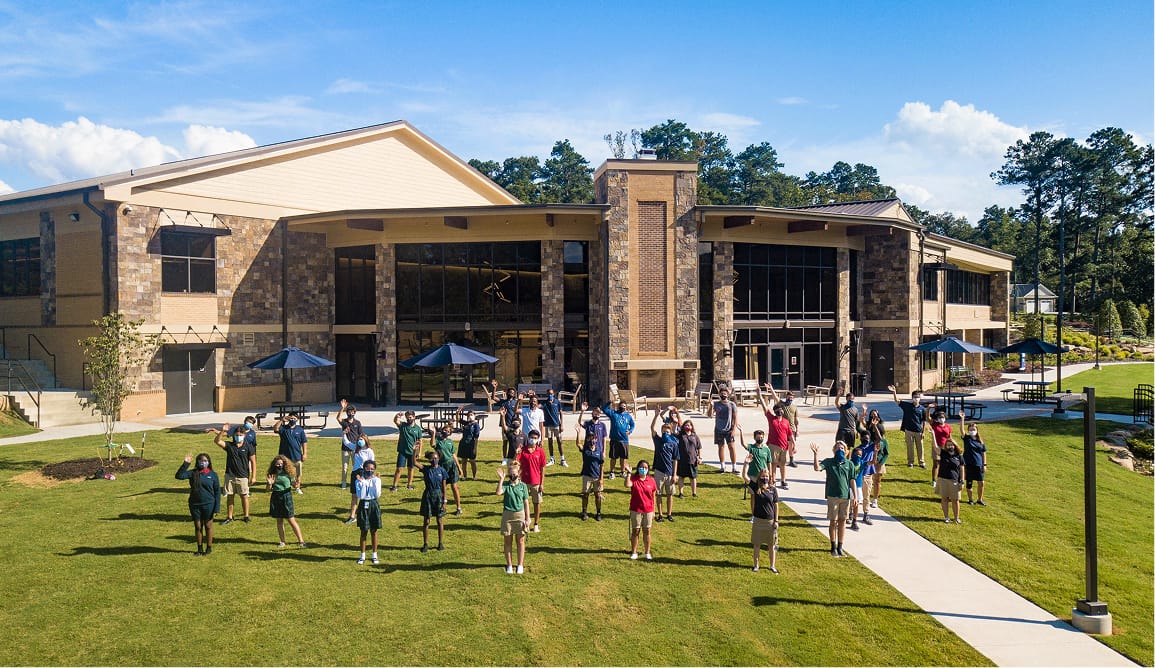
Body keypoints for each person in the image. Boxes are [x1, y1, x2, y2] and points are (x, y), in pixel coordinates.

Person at [811, 440, 853, 557]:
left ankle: (840, 546)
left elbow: (852, 480)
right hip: (833, 496)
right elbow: (817, 468)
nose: (840, 450)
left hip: (845, 497)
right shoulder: (829, 462)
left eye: (842, 448)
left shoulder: (849, 464)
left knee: (842, 522)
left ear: (846, 451)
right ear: (834, 450)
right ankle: (833, 546)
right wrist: (816, 455)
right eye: (838, 448)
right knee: (833, 522)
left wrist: (855, 496)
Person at [175, 452, 220, 555]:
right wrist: (186, 464)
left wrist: (217, 508)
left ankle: (209, 548)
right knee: (198, 526)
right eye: (201, 461)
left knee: (208, 526)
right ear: (197, 462)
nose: (202, 463)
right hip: (195, 504)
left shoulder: (213, 475)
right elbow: (179, 476)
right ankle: (199, 549)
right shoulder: (193, 473)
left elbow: (217, 492)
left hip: (209, 504)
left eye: (205, 461)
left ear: (208, 462)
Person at [213, 423, 255, 524]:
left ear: (244, 435)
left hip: (243, 476)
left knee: (244, 496)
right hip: (230, 475)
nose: (238, 437)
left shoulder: (248, 447)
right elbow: (217, 441)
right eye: (237, 435)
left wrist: (253, 476)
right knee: (230, 496)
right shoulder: (229, 446)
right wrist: (222, 431)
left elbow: (253, 461)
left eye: (240, 435)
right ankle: (230, 517)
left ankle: (246, 516)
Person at [758, 387, 795, 489]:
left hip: (784, 446)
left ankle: (783, 480)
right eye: (778, 410)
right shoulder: (771, 418)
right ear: (775, 411)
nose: (780, 411)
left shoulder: (786, 421)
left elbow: (790, 434)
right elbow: (765, 407)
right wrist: (760, 395)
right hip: (773, 445)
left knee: (783, 464)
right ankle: (772, 481)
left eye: (781, 409)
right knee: (773, 464)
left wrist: (794, 444)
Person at [496, 460, 529, 574]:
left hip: (520, 515)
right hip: (507, 515)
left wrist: (527, 518)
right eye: (510, 473)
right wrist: (501, 479)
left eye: (514, 473)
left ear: (519, 473)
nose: (512, 475)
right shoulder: (506, 485)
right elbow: (498, 492)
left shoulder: (523, 486)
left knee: (520, 541)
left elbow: (526, 503)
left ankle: (520, 565)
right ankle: (509, 565)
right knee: (508, 541)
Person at [267, 455, 305, 548]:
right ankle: (282, 541)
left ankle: (301, 541)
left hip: (286, 496)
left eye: (281, 463)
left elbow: (293, 484)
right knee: (279, 520)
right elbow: (268, 490)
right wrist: (269, 484)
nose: (280, 465)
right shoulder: (272, 474)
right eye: (278, 464)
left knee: (291, 519)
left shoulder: (288, 472)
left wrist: (296, 485)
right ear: (274, 464)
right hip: (276, 496)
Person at [888, 385, 930, 468]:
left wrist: (923, 432)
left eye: (917, 397)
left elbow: (923, 421)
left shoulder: (922, 409)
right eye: (915, 397)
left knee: (920, 447)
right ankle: (910, 462)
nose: (916, 399)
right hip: (908, 430)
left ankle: (921, 462)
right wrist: (894, 392)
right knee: (910, 447)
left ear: (920, 398)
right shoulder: (907, 406)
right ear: (912, 398)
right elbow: (897, 401)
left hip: (918, 431)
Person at [649, 411, 680, 522]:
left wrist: (675, 474)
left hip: (670, 472)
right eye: (664, 430)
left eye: (667, 431)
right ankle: (660, 514)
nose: (665, 432)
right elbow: (652, 428)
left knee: (670, 494)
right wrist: (656, 416)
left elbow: (675, 460)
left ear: (670, 432)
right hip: (659, 471)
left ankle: (669, 514)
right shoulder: (658, 440)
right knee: (658, 494)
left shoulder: (674, 443)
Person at [515, 429, 547, 532]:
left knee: (536, 503)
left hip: (536, 482)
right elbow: (515, 463)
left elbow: (542, 468)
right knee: (524, 503)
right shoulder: (523, 450)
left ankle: (536, 524)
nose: (533, 440)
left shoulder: (540, 451)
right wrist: (516, 453)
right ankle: (525, 523)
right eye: (531, 437)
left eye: (535, 438)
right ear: (528, 438)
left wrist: (542, 483)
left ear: (538, 439)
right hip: (524, 481)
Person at [625, 459, 658, 560]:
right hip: (636, 509)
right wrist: (628, 474)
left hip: (648, 510)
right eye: (641, 467)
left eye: (645, 468)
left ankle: (647, 552)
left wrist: (653, 511)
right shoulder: (634, 479)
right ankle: (634, 552)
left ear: (648, 470)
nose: (643, 469)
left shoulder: (651, 480)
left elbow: (653, 496)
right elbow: (627, 485)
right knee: (636, 530)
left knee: (647, 530)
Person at [749, 468, 779, 573]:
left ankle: (772, 566)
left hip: (770, 522)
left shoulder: (773, 489)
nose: (765, 478)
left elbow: (776, 505)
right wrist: (746, 464)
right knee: (757, 544)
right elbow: (744, 476)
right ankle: (756, 565)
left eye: (766, 476)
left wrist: (776, 521)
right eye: (763, 476)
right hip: (758, 521)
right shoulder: (755, 487)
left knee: (772, 545)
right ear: (759, 477)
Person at [576, 412, 606, 521]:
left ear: (596, 440)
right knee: (585, 495)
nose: (592, 440)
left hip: (597, 477)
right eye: (590, 438)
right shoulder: (586, 450)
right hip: (587, 476)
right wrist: (578, 433)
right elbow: (578, 444)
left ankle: (598, 513)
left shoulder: (599, 451)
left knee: (598, 495)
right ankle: (584, 512)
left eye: (594, 438)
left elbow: (602, 465)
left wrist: (601, 479)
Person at [760, 383, 799, 466]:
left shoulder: (795, 407)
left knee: (791, 445)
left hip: (792, 428)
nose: (790, 398)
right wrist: (771, 388)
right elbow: (775, 397)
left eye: (791, 397)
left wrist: (797, 429)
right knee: (782, 444)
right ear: (786, 397)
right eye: (789, 397)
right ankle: (778, 460)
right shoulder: (782, 404)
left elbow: (796, 420)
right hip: (782, 427)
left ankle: (791, 460)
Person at [418, 450, 448, 552]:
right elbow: (414, 463)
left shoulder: (442, 471)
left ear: (439, 458)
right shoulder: (426, 469)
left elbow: (444, 487)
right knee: (426, 521)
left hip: (439, 495)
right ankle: (425, 544)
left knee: (439, 520)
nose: (434, 460)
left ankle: (440, 543)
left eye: (436, 458)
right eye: (432, 458)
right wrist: (414, 451)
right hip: (428, 495)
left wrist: (445, 501)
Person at [353, 459, 381, 564]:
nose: (370, 471)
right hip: (363, 504)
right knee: (363, 531)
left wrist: (376, 481)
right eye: (368, 468)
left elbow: (377, 494)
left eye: (372, 469)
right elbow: (361, 495)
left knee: (374, 531)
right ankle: (362, 555)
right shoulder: (359, 480)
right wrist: (362, 482)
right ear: (364, 469)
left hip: (373, 504)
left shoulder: (376, 480)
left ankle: (374, 555)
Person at [344, 435, 375, 524]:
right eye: (358, 440)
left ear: (365, 440)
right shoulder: (356, 448)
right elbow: (346, 443)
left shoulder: (369, 451)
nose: (359, 441)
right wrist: (344, 434)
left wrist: (369, 476)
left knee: (364, 496)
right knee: (354, 496)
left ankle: (366, 515)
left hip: (363, 473)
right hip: (355, 473)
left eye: (361, 439)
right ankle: (352, 516)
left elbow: (372, 464)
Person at [601, 399, 636, 479]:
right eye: (621, 406)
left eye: (624, 406)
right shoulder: (613, 413)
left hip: (624, 440)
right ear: (618, 406)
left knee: (623, 458)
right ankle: (612, 472)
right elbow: (604, 409)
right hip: (614, 439)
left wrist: (630, 431)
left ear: (626, 408)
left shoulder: (628, 416)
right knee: (613, 457)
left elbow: (633, 425)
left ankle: (622, 472)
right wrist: (609, 402)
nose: (622, 408)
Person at [391, 410, 425, 492]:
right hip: (402, 451)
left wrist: (419, 452)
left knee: (411, 468)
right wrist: (397, 415)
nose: (408, 419)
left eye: (410, 417)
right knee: (399, 469)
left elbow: (420, 441)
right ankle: (394, 486)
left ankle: (409, 484)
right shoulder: (403, 426)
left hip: (412, 452)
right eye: (407, 417)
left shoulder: (418, 429)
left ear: (414, 417)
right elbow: (396, 421)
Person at [959, 411, 988, 506]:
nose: (972, 431)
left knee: (981, 483)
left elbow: (983, 453)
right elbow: (961, 430)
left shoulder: (980, 441)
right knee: (969, 483)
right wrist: (962, 419)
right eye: (970, 429)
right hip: (968, 464)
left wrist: (984, 464)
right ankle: (970, 499)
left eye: (974, 429)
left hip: (978, 465)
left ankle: (980, 499)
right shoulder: (967, 439)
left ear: (977, 430)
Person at [274, 413, 308, 493]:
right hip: (285, 456)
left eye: (294, 418)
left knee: (298, 473)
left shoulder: (300, 430)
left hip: (297, 455)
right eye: (291, 418)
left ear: (297, 419)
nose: (292, 420)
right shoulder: (283, 428)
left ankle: (298, 487)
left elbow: (304, 442)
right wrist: (282, 420)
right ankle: (285, 486)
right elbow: (275, 429)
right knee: (285, 472)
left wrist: (305, 453)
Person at [708, 387, 739, 474]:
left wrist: (734, 429)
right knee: (721, 447)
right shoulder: (716, 404)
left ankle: (734, 467)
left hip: (729, 429)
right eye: (721, 394)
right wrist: (711, 405)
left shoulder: (732, 404)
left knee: (732, 447)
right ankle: (722, 466)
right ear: (719, 395)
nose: (723, 395)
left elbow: (735, 417)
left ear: (728, 395)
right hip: (718, 429)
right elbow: (709, 415)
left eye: (725, 393)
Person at [861, 409, 887, 508]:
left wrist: (875, 426)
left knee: (877, 481)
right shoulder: (868, 428)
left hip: (878, 459)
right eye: (871, 416)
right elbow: (861, 421)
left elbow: (880, 439)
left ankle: (875, 500)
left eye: (875, 416)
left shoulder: (880, 427)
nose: (873, 418)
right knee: (867, 479)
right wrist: (864, 412)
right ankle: (865, 498)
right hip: (870, 457)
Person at [434, 427, 464, 515]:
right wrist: (433, 434)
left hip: (451, 465)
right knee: (442, 488)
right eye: (444, 430)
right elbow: (432, 444)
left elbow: (453, 455)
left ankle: (458, 507)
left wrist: (459, 467)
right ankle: (443, 507)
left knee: (454, 487)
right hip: (442, 466)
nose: (446, 432)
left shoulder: (450, 442)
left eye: (448, 431)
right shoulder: (438, 440)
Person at [936, 439, 966, 524]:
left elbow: (962, 469)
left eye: (952, 445)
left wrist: (962, 481)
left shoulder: (959, 456)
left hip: (955, 481)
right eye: (948, 445)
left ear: (955, 446)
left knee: (955, 500)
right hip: (943, 479)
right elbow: (935, 447)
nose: (950, 447)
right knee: (944, 499)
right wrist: (933, 435)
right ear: (946, 446)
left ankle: (956, 518)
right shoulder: (943, 454)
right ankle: (946, 517)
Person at [336, 399, 364, 488]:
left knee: (356, 466)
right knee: (345, 467)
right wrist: (342, 408)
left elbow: (361, 435)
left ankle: (357, 481)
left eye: (352, 412)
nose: (351, 413)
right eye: (349, 412)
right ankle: (343, 482)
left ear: (355, 413)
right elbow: (338, 418)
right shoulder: (344, 422)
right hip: (345, 448)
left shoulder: (358, 423)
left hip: (355, 448)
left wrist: (360, 445)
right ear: (347, 412)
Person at [676, 419, 702, 498]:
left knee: (693, 477)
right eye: (686, 425)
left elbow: (699, 447)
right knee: (681, 477)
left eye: (689, 425)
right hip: (682, 460)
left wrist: (699, 457)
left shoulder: (695, 436)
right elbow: (674, 431)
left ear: (692, 426)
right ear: (683, 426)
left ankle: (694, 493)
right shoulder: (680, 435)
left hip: (692, 460)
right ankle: (681, 493)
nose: (688, 426)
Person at [541, 388, 566, 466]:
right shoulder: (544, 403)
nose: (550, 395)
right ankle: (552, 459)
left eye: (551, 394)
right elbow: (538, 406)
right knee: (550, 441)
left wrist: (561, 424)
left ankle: (562, 459)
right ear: (546, 395)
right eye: (548, 394)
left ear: (553, 394)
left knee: (559, 441)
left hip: (556, 424)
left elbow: (561, 413)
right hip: (548, 425)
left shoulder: (557, 402)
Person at [929, 410, 952, 487]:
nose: (941, 419)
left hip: (945, 447)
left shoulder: (948, 426)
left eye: (942, 417)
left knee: (944, 464)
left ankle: (943, 478)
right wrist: (929, 408)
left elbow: (949, 437)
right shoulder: (935, 425)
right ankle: (934, 480)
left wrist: (951, 446)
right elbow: (928, 417)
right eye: (939, 417)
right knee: (936, 464)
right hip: (936, 446)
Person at [457, 410, 482, 480]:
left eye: (471, 415)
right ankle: (465, 476)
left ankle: (474, 476)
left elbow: (476, 437)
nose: (470, 416)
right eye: (469, 415)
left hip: (471, 444)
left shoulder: (476, 425)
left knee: (472, 461)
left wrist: (475, 448)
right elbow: (458, 419)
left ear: (474, 416)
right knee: (464, 461)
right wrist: (457, 412)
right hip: (463, 443)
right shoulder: (466, 423)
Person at [242, 415, 259, 483]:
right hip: (239, 453)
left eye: (251, 423)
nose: (249, 423)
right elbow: (227, 434)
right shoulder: (238, 430)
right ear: (244, 421)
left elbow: (254, 445)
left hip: (248, 454)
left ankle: (246, 484)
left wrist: (254, 455)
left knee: (248, 469)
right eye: (248, 421)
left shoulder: (252, 433)